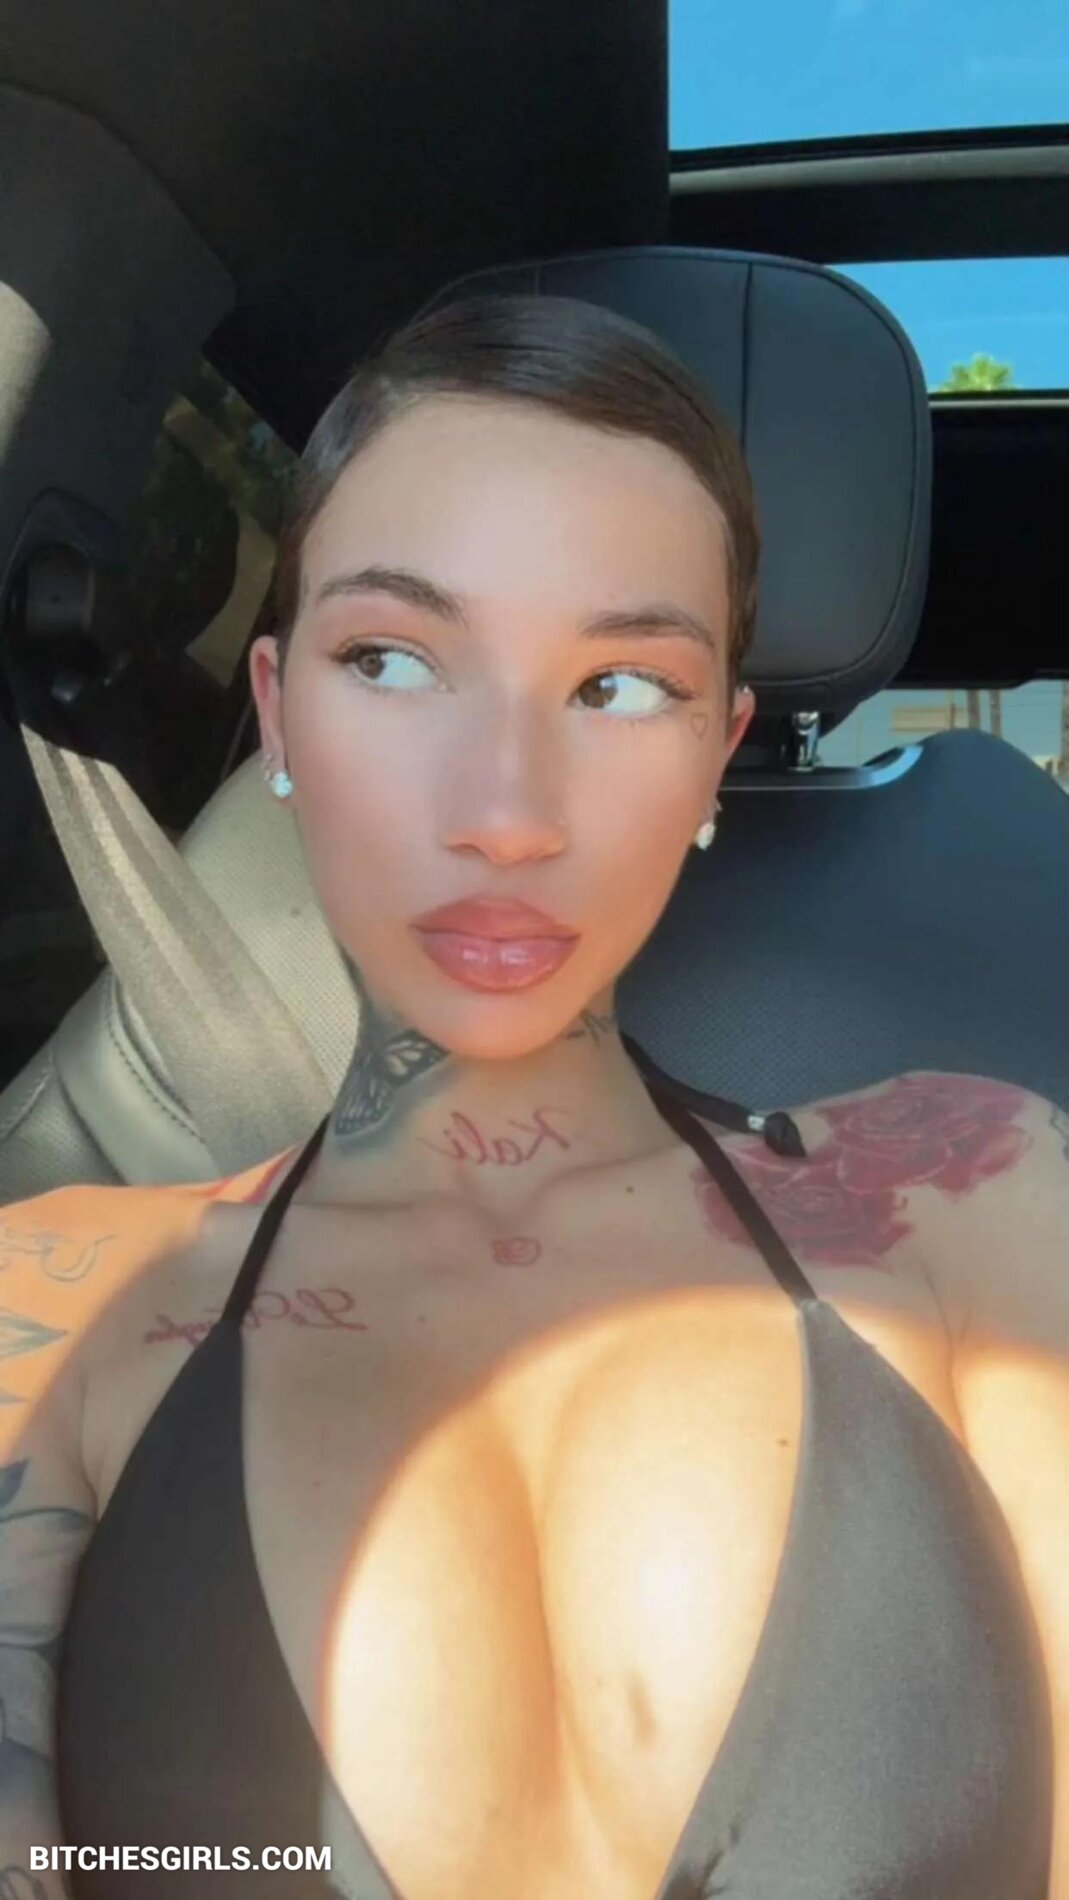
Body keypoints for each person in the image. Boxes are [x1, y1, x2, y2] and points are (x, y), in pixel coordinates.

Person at [0, 293, 1063, 1900]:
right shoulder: (58, 1296)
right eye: (392, 660)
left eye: (620, 685)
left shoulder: (972, 1191)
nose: (504, 812)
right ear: (278, 714)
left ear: (715, 753)